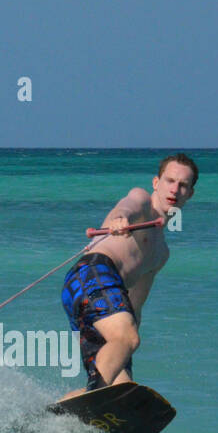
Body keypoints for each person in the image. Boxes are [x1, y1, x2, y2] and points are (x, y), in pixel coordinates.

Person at [59, 153, 197, 400]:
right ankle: (94, 394)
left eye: (183, 185)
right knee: (126, 340)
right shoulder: (142, 201)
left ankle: (50, 420)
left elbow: (135, 304)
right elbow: (127, 206)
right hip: (91, 273)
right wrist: (119, 219)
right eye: (170, 181)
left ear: (190, 194)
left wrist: (126, 351)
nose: (175, 189)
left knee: (121, 390)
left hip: (100, 299)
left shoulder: (161, 253)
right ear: (156, 183)